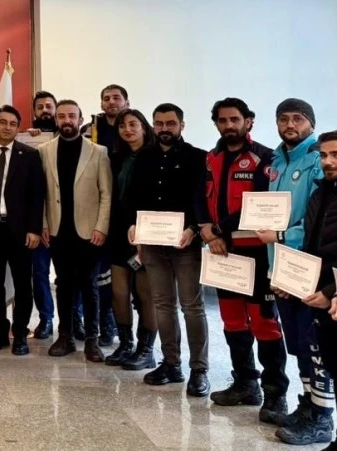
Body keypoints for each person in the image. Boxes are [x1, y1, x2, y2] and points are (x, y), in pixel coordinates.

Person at [268, 130, 337, 447]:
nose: (328, 161)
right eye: (324, 155)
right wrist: (292, 280)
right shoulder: (320, 192)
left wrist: (330, 291)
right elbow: (310, 246)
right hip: (317, 298)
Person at [199, 97, 290, 425]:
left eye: (234, 119)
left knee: (264, 323)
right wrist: (207, 231)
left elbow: (260, 204)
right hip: (223, 252)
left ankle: (275, 392)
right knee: (232, 320)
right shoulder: (211, 158)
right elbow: (201, 198)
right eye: (222, 120)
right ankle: (245, 383)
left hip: (256, 252)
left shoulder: (265, 158)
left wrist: (219, 228)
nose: (229, 126)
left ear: (248, 121)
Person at [259, 98, 334, 434]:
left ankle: (322, 417)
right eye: (284, 119)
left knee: (313, 344)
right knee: (298, 345)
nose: (290, 125)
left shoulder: (318, 159)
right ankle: (307, 404)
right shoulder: (276, 160)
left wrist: (282, 235)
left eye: (298, 119)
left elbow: (319, 219)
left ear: (311, 123)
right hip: (280, 265)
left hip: (307, 268)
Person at [127, 103, 210, 396]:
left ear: (181, 126)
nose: (164, 129)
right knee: (162, 304)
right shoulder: (144, 157)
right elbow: (133, 196)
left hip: (185, 243)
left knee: (192, 306)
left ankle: (199, 370)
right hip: (151, 243)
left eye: (170, 123)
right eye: (159, 123)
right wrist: (133, 226)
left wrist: (193, 228)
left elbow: (202, 200)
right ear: (153, 126)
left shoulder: (198, 157)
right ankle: (171, 364)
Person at [39, 99, 111, 361]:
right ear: (56, 120)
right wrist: (43, 224)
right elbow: (41, 193)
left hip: (89, 232)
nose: (66, 120)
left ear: (81, 120)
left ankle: (92, 340)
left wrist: (101, 227)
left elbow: (106, 194)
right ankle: (65, 336)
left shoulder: (98, 152)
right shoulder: (45, 151)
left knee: (90, 286)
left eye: (72, 116)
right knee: (64, 284)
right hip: (58, 230)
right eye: (62, 116)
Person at [0, 104, 43, 356]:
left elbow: (37, 196)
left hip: (21, 233)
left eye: (13, 124)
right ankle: (0, 332)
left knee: (23, 285)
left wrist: (34, 229)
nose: (7, 127)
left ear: (18, 128)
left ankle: (20, 334)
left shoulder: (30, 155)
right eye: (3, 122)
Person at [105, 109, 157, 370]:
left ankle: (146, 349)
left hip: (146, 232)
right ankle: (125, 344)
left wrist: (144, 230)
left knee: (146, 293)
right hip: (118, 231)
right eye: (122, 125)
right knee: (119, 291)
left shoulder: (155, 156)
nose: (127, 129)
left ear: (144, 127)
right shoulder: (115, 158)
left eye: (133, 124)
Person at [82, 84, 130, 347]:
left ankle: (127, 331)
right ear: (101, 104)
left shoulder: (134, 128)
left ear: (126, 102)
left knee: (124, 275)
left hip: (126, 212)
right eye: (106, 98)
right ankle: (104, 323)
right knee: (99, 273)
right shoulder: (89, 130)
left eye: (116, 98)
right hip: (97, 209)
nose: (112, 102)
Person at [27, 90, 58, 339]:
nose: (45, 110)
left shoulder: (76, 139)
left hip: (69, 223)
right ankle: (46, 319)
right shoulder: (28, 141)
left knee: (71, 276)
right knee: (39, 274)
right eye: (40, 107)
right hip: (39, 221)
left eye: (49, 106)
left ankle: (75, 319)